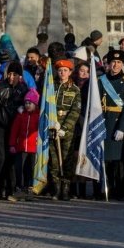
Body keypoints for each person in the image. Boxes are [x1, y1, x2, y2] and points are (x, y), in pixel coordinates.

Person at [0, 61, 28, 200]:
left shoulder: (23, 89)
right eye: (10, 74)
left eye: (15, 74)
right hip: (1, 127)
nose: (12, 77)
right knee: (1, 157)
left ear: (20, 76)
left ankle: (11, 188)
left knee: (12, 160)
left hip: (16, 130)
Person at [99, 48, 124, 200]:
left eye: (119, 62)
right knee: (104, 159)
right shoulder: (100, 81)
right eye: (113, 62)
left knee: (118, 161)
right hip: (103, 123)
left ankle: (119, 190)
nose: (116, 65)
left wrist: (122, 128)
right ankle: (105, 189)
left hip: (118, 124)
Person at [48, 59, 81, 200]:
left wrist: (65, 127)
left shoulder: (74, 89)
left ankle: (66, 189)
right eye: (60, 70)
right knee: (54, 161)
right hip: (52, 128)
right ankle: (56, 189)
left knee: (67, 161)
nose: (62, 73)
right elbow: (46, 106)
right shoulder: (50, 87)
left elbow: (75, 111)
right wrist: (52, 122)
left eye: (65, 70)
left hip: (67, 131)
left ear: (70, 72)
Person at [9, 88, 40, 201]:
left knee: (30, 169)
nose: (27, 105)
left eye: (30, 103)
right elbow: (14, 131)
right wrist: (12, 144)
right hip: (21, 147)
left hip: (33, 148)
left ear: (35, 104)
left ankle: (29, 189)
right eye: (26, 103)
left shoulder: (38, 116)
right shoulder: (21, 116)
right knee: (19, 168)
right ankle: (19, 188)